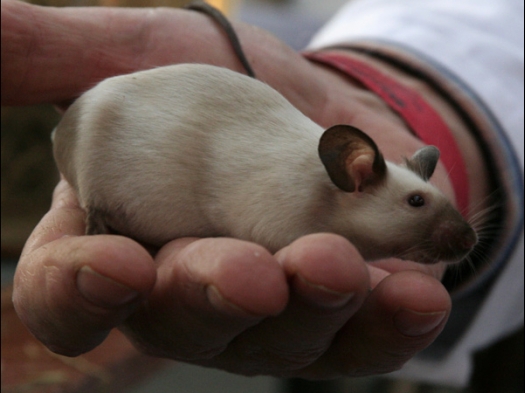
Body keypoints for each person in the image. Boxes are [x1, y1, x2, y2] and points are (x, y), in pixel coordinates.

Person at [2, 0, 523, 387]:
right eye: (416, 202)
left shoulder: (334, 197)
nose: (456, 231)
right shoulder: (298, 195)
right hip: (117, 141)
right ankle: (101, 209)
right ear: (354, 175)